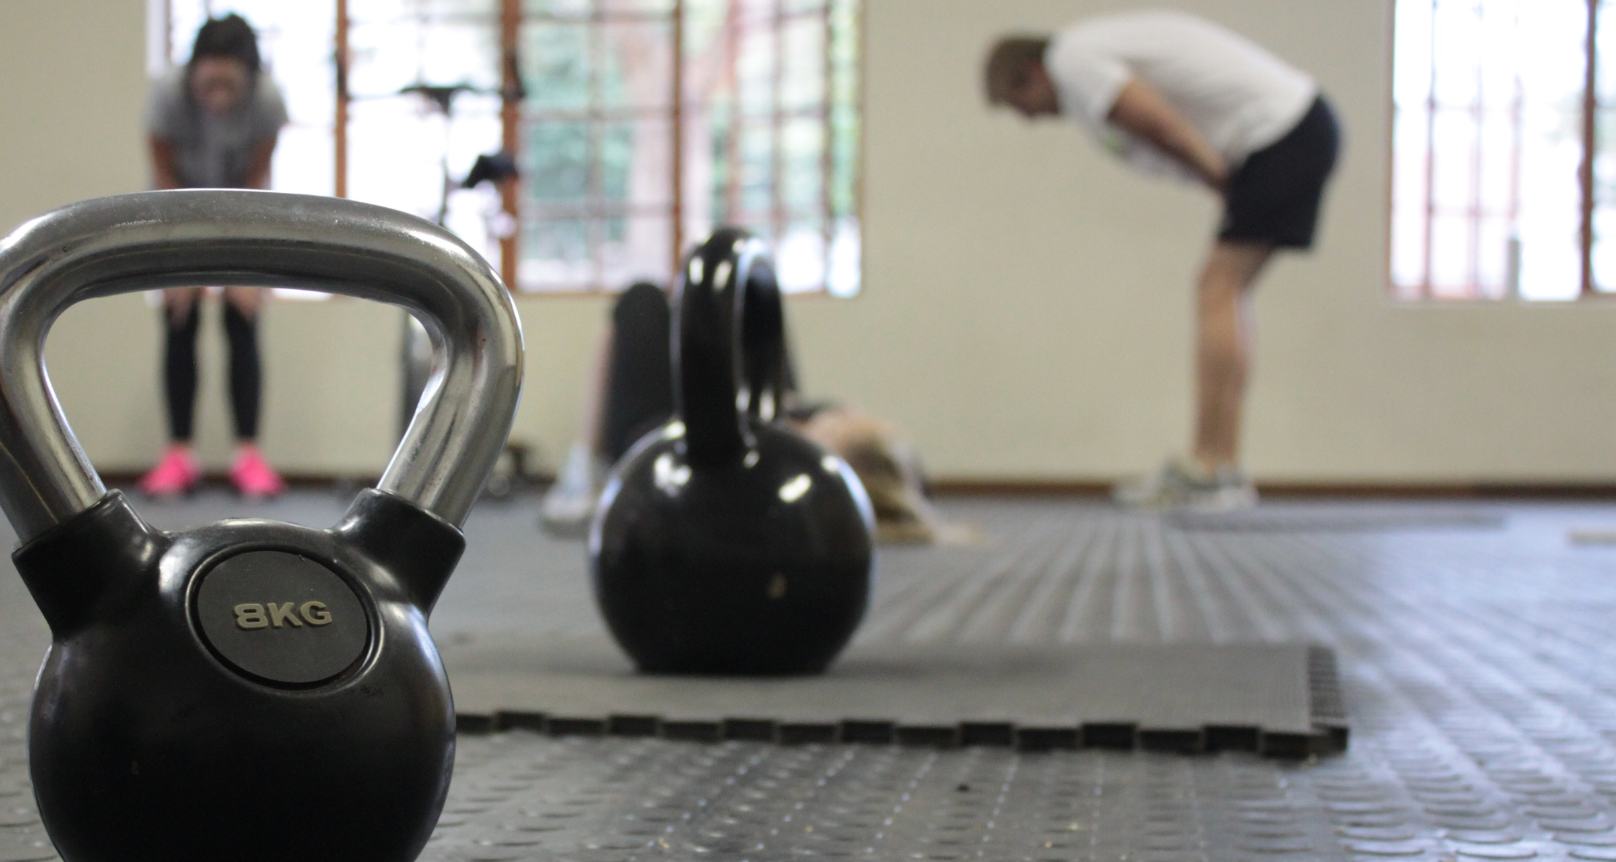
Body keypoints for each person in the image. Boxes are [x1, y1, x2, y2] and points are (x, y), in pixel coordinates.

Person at [985, 12, 1339, 511]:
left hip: (1282, 132)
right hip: (1292, 130)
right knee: (1225, 292)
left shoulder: (1071, 58)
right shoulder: (1083, 70)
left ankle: (1212, 468)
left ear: (1030, 72)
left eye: (1017, 102)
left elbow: (1157, 121)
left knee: (1217, 290)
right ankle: (1219, 466)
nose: (1025, 118)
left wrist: (1216, 174)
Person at [542, 283, 956, 545]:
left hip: (661, 445)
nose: (848, 412)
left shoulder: (796, 473)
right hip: (740, 418)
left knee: (641, 301)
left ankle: (584, 471)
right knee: (753, 299)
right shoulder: (872, 460)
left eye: (846, 421)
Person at [139, 14, 289, 499]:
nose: (218, 94)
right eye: (209, 82)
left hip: (241, 208)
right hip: (175, 207)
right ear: (192, 72)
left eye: (230, 84)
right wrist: (178, 264)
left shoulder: (267, 100)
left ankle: (248, 456)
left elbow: (257, 178)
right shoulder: (166, 96)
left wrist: (246, 269)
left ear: (249, 79)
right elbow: (163, 176)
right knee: (178, 316)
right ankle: (179, 455)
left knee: (242, 316)